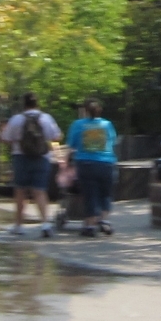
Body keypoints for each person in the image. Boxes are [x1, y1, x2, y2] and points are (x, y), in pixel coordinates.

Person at [1, 93, 62, 237]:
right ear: (37, 103)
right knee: (40, 191)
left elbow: (5, 138)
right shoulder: (46, 118)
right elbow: (56, 136)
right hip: (42, 158)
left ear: (24, 104)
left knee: (20, 191)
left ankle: (18, 225)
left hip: (20, 158)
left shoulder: (17, 119)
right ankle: (45, 224)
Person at [65, 98, 119, 238]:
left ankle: (90, 225)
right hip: (106, 163)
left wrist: (65, 165)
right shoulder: (107, 124)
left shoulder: (78, 125)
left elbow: (71, 146)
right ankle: (104, 221)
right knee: (105, 193)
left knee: (90, 194)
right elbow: (112, 142)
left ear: (85, 110)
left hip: (86, 164)